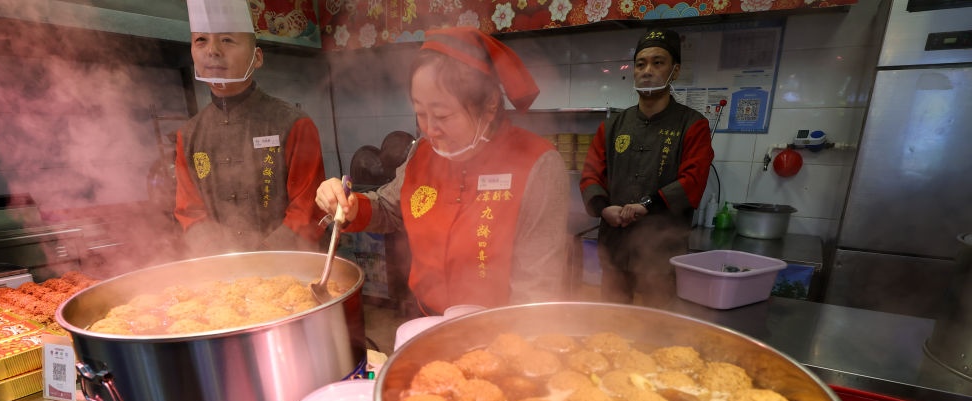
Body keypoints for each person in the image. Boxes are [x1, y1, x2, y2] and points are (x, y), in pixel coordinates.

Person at [314, 27, 570, 316]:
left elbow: (538, 286)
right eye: (420, 113)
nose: (429, 129)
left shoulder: (537, 164)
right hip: (427, 318)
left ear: (489, 105)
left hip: (500, 327)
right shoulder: (422, 154)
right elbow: (389, 208)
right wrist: (347, 205)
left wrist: (508, 339)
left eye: (442, 115)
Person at [174, 0, 326, 256]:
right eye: (201, 40)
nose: (212, 51)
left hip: (289, 266)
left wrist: (259, 261)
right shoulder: (188, 136)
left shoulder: (294, 124)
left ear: (257, 57)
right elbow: (190, 213)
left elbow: (307, 211)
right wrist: (222, 257)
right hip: (222, 270)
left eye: (227, 40)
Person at [579, 28, 714, 306]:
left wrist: (647, 206)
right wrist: (603, 208)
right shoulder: (613, 126)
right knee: (612, 320)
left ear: (675, 71)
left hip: (661, 255)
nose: (647, 71)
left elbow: (693, 180)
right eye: (640, 64)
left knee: (657, 324)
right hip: (615, 248)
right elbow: (591, 174)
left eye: (658, 62)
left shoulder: (692, 125)